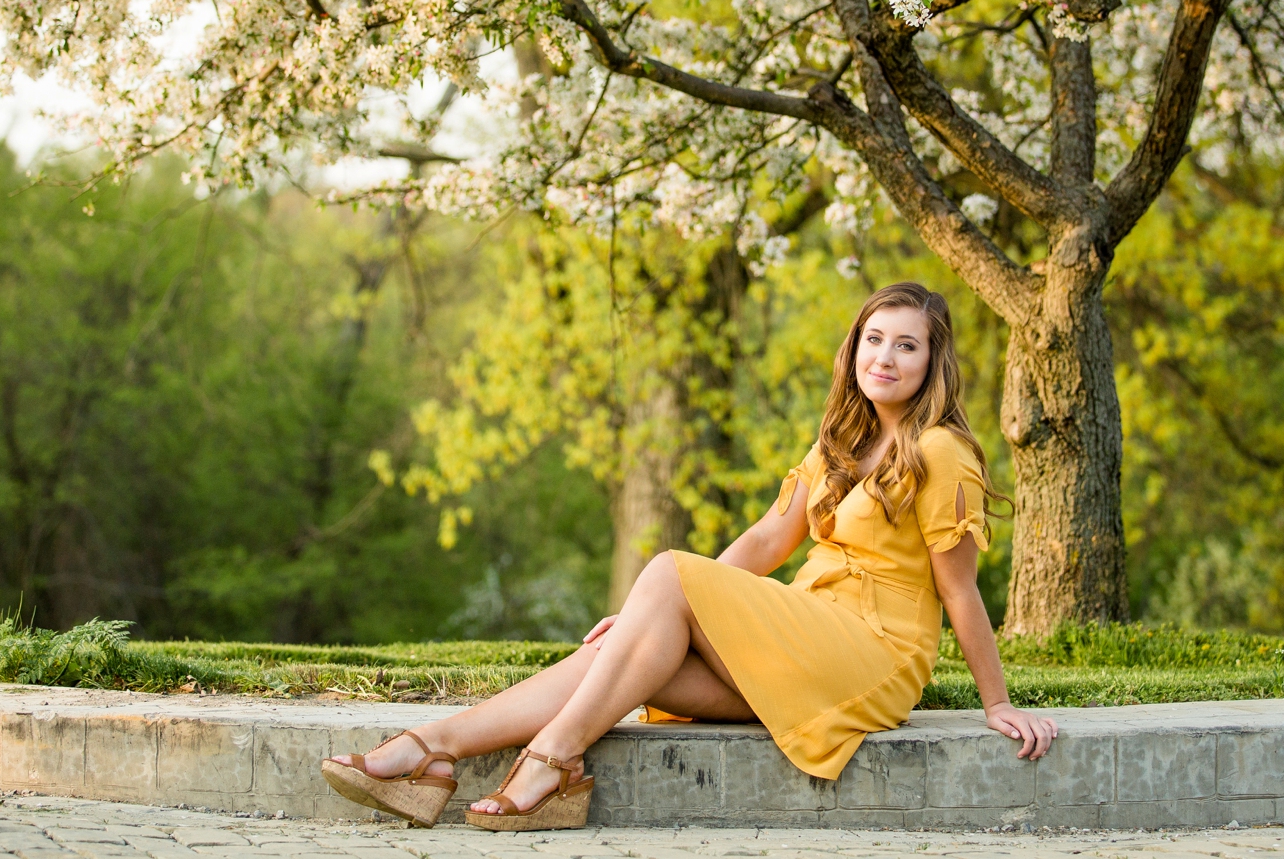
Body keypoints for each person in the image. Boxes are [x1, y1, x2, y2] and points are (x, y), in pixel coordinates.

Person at [321, 280, 1059, 831]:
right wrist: (654, 611)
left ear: (933, 360)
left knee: (669, 571)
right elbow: (771, 540)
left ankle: (552, 758)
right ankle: (433, 750)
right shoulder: (839, 440)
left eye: (907, 344)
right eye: (875, 338)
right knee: (629, 649)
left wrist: (997, 702)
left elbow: (959, 590)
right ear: (854, 348)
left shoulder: (941, 450)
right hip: (808, 632)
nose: (887, 356)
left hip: (874, 653)